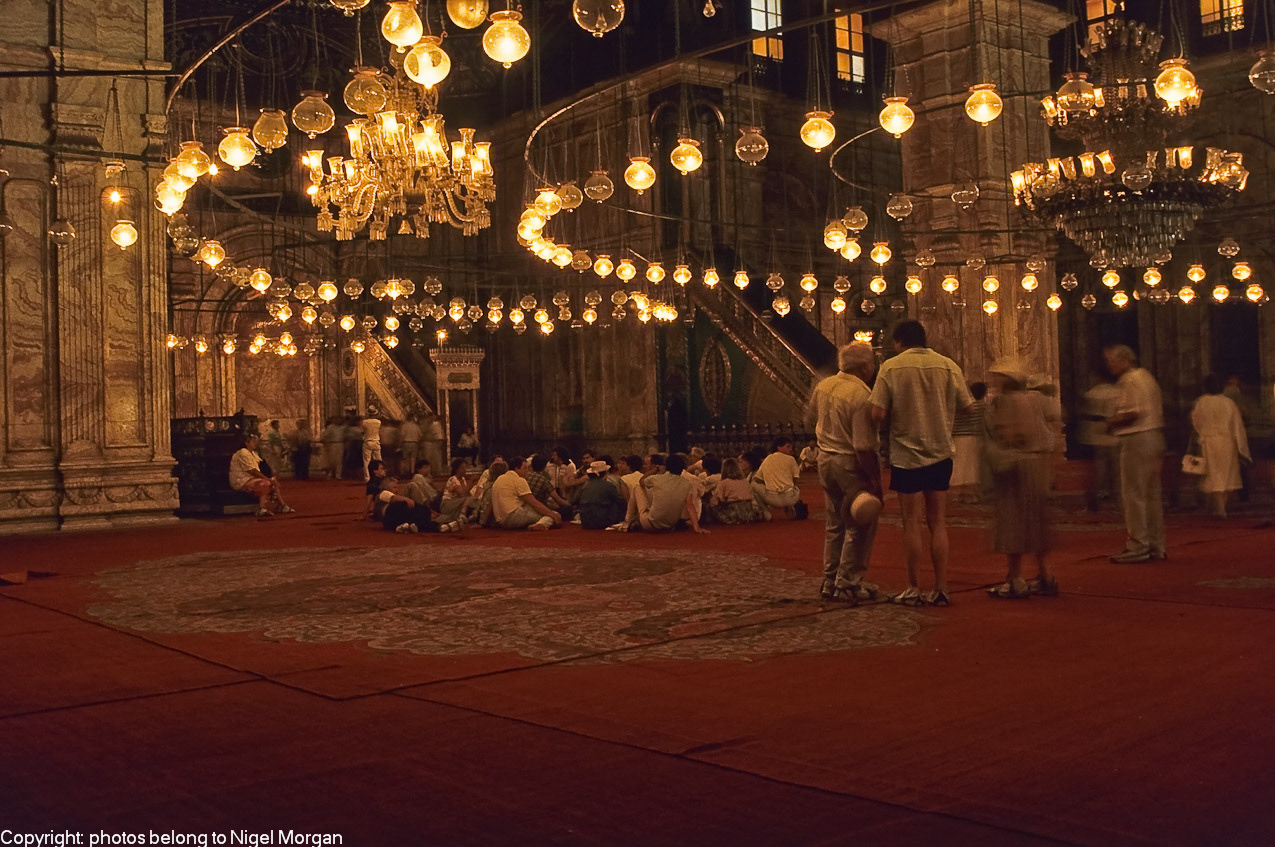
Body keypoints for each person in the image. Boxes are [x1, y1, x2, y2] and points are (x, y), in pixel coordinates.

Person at [870, 319, 974, 607]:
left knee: (911, 523)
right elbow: (968, 406)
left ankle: (913, 587)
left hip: (906, 455)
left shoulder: (891, 367)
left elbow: (877, 413)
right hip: (940, 452)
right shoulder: (948, 365)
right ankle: (941, 587)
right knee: (938, 522)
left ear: (899, 341)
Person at [807, 343, 883, 603]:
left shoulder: (824, 386)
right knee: (861, 521)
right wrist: (874, 479)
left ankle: (830, 579)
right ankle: (848, 582)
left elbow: (810, 420)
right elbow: (862, 446)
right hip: (849, 463)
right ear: (865, 367)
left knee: (835, 523)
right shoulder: (861, 395)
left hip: (825, 460)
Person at [984, 360, 1058, 598]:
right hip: (1037, 464)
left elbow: (1012, 434)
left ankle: (1015, 579)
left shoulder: (1006, 401)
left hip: (1016, 467)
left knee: (1013, 522)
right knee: (1036, 523)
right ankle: (1046, 575)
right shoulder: (1036, 399)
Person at [1104, 345, 1167, 563]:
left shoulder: (1129, 380)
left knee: (1134, 495)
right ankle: (1156, 545)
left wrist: (1109, 422)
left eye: (1111, 361)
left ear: (1124, 359)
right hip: (1154, 436)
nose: (1109, 366)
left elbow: (1132, 412)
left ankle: (1138, 545)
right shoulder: (1147, 377)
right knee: (1151, 495)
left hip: (1137, 439)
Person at [1190, 373, 1251, 518]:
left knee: (1214, 473)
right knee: (1227, 474)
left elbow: (1196, 422)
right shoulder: (1229, 403)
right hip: (1227, 442)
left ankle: (1220, 507)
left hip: (1209, 442)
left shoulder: (1201, 402)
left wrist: (1203, 434)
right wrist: (1241, 446)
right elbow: (1237, 425)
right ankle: (1221, 505)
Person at [612, 453, 708, 533]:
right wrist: (697, 527)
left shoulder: (657, 478)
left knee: (637, 488)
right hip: (671, 525)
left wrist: (655, 470)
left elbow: (641, 481)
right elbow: (690, 506)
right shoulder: (686, 483)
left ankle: (628, 521)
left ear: (666, 466)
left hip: (650, 523)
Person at [228, 432, 294, 518]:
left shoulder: (252, 453)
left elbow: (260, 467)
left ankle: (282, 505)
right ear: (247, 443)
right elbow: (252, 471)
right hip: (241, 480)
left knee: (272, 481)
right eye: (253, 441)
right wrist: (268, 479)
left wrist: (271, 479)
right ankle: (262, 508)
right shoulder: (243, 453)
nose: (256, 443)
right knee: (265, 483)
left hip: (251, 479)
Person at [1080, 376, 1120, 512]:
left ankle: (1099, 496)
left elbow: (1087, 414)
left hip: (1095, 436)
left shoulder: (1091, 394)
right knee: (1116, 469)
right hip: (1112, 435)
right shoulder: (1116, 393)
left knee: (1100, 468)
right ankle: (1117, 498)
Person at [491, 457, 562, 530]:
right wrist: (552, 514)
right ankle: (542, 523)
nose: (527, 471)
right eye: (525, 468)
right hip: (514, 516)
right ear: (516, 468)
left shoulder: (499, 479)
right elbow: (533, 503)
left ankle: (538, 523)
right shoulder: (519, 480)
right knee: (553, 515)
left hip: (500, 520)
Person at [752, 436, 805, 519]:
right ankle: (790, 506)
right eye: (788, 446)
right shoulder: (791, 459)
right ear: (779, 447)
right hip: (790, 498)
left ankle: (765, 512)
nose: (791, 449)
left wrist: (769, 483)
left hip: (772, 500)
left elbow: (757, 479)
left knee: (753, 485)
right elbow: (795, 479)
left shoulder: (767, 459)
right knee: (795, 487)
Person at [950, 382, 987, 501]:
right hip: (974, 437)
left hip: (958, 437)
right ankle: (970, 494)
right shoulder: (982, 406)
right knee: (971, 468)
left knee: (960, 466)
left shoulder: (962, 404)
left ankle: (959, 493)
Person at [708, 457, 767, 525]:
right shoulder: (745, 481)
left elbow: (715, 502)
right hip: (748, 513)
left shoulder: (724, 483)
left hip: (733, 514)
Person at [577, 460, 628, 529]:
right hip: (602, 521)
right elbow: (621, 501)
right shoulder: (608, 485)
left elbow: (576, 500)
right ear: (605, 473)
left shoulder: (585, 485)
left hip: (585, 521)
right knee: (615, 502)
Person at [527, 454, 575, 520]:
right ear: (544, 467)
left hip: (525, 507)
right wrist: (570, 504)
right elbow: (558, 500)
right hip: (539, 509)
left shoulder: (526, 476)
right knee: (567, 510)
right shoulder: (544, 480)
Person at [440, 457, 478, 522]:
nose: (465, 470)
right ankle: (462, 514)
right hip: (448, 504)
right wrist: (471, 481)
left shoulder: (463, 479)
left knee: (473, 499)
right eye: (462, 468)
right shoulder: (453, 479)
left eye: (465, 468)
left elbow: (466, 494)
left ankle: (474, 515)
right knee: (469, 499)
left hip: (458, 503)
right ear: (456, 470)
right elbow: (462, 494)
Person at [360, 411, 383, 482]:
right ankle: (380, 476)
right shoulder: (378, 422)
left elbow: (362, 431)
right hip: (376, 442)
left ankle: (367, 478)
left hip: (367, 441)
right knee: (378, 460)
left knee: (366, 461)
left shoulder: (364, 422)